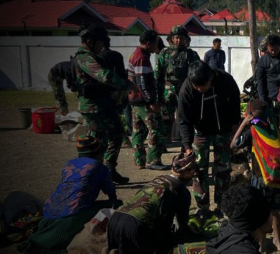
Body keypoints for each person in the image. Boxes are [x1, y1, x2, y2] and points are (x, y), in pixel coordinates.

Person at [103, 153, 198, 254]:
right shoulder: (181, 190)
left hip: (117, 219)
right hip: (135, 225)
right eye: (193, 172)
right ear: (188, 172)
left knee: (128, 250)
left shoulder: (157, 179)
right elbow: (182, 225)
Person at [18, 135, 119, 253]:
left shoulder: (69, 164)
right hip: (70, 217)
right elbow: (111, 194)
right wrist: (115, 206)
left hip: (48, 212)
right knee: (115, 206)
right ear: (98, 153)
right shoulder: (99, 167)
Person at [178, 61, 241, 217]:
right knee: (199, 171)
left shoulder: (225, 79)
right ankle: (203, 208)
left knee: (224, 170)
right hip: (200, 133)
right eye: (196, 86)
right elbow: (184, 120)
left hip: (223, 131)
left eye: (203, 86)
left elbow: (235, 101)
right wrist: (187, 146)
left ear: (211, 78)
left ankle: (222, 205)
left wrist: (234, 126)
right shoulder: (186, 89)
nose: (199, 89)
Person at [72, 23, 129, 184]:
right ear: (90, 40)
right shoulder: (84, 58)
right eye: (101, 42)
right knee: (97, 144)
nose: (103, 46)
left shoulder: (95, 56)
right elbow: (105, 76)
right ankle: (89, 177)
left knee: (117, 135)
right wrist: (127, 84)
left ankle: (109, 170)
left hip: (105, 105)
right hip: (93, 108)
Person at [231, 98, 280, 254]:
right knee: (274, 210)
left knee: (261, 211)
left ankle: (262, 246)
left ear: (250, 114)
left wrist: (243, 124)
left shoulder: (253, 131)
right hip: (275, 176)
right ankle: (278, 242)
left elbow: (233, 145)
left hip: (260, 177)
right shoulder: (272, 128)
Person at [127, 29, 169, 170]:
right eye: (156, 43)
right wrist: (151, 101)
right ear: (149, 43)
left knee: (138, 131)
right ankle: (153, 161)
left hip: (135, 100)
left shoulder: (137, 54)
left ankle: (139, 161)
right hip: (143, 101)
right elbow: (142, 83)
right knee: (155, 129)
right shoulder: (141, 58)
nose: (157, 46)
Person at [155, 25, 200, 142]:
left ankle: (187, 141)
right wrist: (157, 92)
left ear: (186, 39)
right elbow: (158, 73)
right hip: (167, 90)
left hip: (185, 90)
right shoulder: (164, 53)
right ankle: (165, 142)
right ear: (171, 39)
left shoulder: (191, 54)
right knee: (165, 118)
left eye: (181, 38)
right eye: (176, 37)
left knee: (186, 116)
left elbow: (198, 73)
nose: (179, 40)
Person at [255, 34, 280, 106]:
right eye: (271, 50)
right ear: (267, 47)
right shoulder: (263, 61)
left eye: (276, 49)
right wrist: (263, 101)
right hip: (272, 98)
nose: (273, 52)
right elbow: (260, 82)